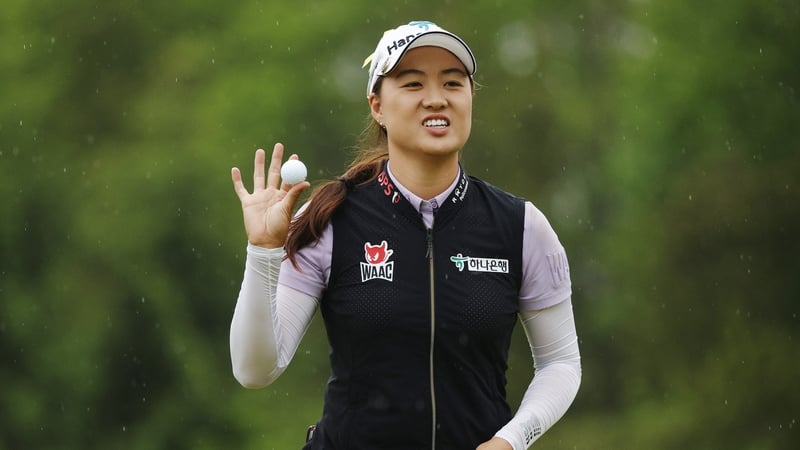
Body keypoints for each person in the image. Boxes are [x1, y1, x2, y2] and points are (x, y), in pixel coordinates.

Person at [229, 20, 581, 450]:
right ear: (377, 105)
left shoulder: (521, 226)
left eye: (453, 83)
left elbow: (560, 363)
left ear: (470, 98)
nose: (436, 99)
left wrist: (511, 440)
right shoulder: (331, 219)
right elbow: (255, 369)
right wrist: (263, 251)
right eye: (412, 84)